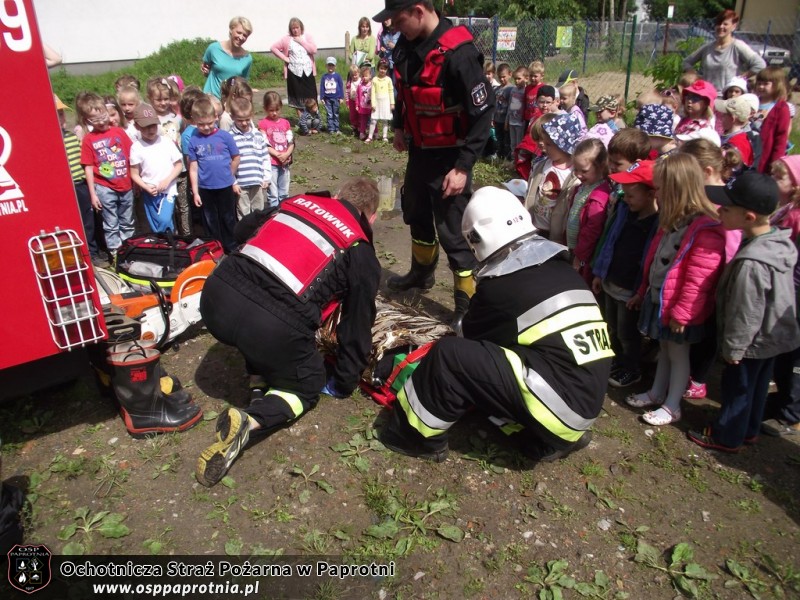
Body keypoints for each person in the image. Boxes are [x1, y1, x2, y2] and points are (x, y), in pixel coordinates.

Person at [377, 186, 612, 463]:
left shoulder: (503, 285)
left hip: (560, 409)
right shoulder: (563, 270)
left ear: (477, 239)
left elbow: (471, 339)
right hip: (581, 405)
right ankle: (546, 437)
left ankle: (415, 437)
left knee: (450, 356)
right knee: (504, 359)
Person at [195, 178, 381, 486]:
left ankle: (259, 376)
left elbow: (241, 231)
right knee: (308, 384)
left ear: (336, 195)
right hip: (270, 327)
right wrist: (344, 381)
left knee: (260, 329)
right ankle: (251, 420)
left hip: (216, 298)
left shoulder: (297, 202)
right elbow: (357, 325)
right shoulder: (359, 249)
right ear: (370, 218)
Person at [376, 0, 494, 333]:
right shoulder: (405, 45)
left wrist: (463, 167)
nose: (394, 26)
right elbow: (404, 91)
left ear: (418, 10)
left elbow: (483, 112)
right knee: (415, 212)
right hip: (420, 152)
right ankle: (421, 273)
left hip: (451, 157)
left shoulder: (460, 54)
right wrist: (399, 126)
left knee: (453, 231)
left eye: (398, 19)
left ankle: (466, 305)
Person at [688, 172, 800, 452]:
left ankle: (726, 436)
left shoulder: (752, 263)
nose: (720, 212)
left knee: (737, 387)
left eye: (726, 209)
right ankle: (748, 429)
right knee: (758, 385)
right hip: (773, 335)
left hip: (751, 341)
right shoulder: (777, 243)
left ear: (749, 217)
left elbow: (746, 312)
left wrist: (734, 348)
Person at [625, 153, 726, 426]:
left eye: (659, 188)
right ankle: (657, 392)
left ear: (676, 188)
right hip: (661, 298)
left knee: (679, 354)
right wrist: (644, 289)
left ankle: (672, 406)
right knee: (665, 348)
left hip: (679, 307)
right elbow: (655, 258)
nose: (656, 193)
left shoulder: (704, 227)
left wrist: (682, 313)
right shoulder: (674, 219)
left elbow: (698, 279)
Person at [592, 160, 659, 389]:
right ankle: (617, 360)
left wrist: (641, 291)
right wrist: (600, 272)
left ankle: (631, 368)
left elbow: (650, 261)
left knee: (627, 332)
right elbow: (609, 242)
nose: (626, 198)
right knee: (611, 325)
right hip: (611, 280)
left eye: (631, 195)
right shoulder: (623, 211)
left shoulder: (656, 224)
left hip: (630, 290)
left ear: (650, 194)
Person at [762, 156, 800, 436]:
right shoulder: (786, 209)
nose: (773, 181)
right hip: (785, 288)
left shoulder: (796, 217)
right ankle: (783, 399)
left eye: (779, 177)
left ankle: (791, 414)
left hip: (793, 293)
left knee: (794, 357)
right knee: (784, 354)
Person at [78, 92, 134, 266]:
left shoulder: (119, 132)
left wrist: (136, 181)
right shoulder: (89, 140)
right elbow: (88, 167)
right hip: (104, 187)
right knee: (111, 223)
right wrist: (93, 194)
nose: (101, 122)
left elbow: (131, 157)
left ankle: (129, 252)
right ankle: (116, 255)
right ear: (87, 120)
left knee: (127, 221)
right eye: (95, 120)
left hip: (125, 184)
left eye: (103, 116)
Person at [56, 95, 106, 268]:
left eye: (61, 113)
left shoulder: (71, 137)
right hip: (65, 187)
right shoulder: (50, 141)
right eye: (56, 114)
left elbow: (84, 162)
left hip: (80, 184)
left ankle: (92, 253)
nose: (61, 118)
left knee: (88, 220)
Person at [186, 97, 240, 253]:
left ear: (216, 116)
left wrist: (229, 175)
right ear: (194, 121)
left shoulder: (225, 136)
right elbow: (193, 167)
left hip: (225, 186)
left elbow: (236, 157)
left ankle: (231, 246)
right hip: (205, 188)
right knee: (210, 220)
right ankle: (215, 247)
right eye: (201, 124)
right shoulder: (194, 140)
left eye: (209, 123)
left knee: (228, 218)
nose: (206, 127)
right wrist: (195, 192)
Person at [523, 112, 582, 244]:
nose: (544, 147)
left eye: (549, 144)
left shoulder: (574, 174)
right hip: (534, 225)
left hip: (555, 232)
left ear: (563, 145)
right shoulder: (542, 165)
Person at [682, 9, 766, 96]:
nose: (721, 26)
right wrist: (694, 75)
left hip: (728, 96)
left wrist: (742, 77)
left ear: (733, 26)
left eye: (725, 24)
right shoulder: (707, 48)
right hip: (706, 96)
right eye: (718, 24)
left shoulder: (737, 46)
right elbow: (686, 62)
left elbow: (760, 64)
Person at [129, 103, 183, 233]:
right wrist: (145, 187)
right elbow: (134, 173)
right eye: (146, 127)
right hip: (149, 191)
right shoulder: (136, 147)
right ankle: (167, 242)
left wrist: (167, 181)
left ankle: (167, 240)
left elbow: (178, 165)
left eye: (153, 125)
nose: (151, 130)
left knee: (164, 220)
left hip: (168, 190)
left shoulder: (166, 142)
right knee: (156, 225)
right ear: (137, 126)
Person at [566, 138, 611, 286]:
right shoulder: (582, 187)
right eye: (576, 169)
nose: (578, 175)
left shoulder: (599, 196)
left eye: (584, 171)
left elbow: (592, 230)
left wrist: (580, 256)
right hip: (574, 248)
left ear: (601, 166)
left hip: (585, 257)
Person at [229, 97, 270, 220]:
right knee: (243, 213)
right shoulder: (230, 137)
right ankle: (244, 232)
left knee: (259, 211)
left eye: (247, 119)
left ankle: (259, 231)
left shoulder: (258, 135)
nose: (244, 123)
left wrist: (266, 176)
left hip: (257, 181)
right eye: (240, 120)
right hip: (241, 183)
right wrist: (233, 182)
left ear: (252, 115)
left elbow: (265, 156)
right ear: (232, 117)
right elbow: (228, 162)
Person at [271, 17, 318, 114]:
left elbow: (313, 50)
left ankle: (313, 119)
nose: (295, 30)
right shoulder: (286, 39)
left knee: (311, 96)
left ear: (301, 27)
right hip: (294, 72)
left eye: (297, 27)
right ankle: (302, 120)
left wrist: (301, 41)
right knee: (298, 97)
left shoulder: (307, 37)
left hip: (308, 71)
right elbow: (273, 48)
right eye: (293, 28)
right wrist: (285, 58)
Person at [201, 16, 253, 99]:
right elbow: (205, 69)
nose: (241, 37)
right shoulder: (213, 49)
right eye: (239, 32)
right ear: (231, 30)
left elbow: (243, 83)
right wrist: (206, 72)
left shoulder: (247, 58)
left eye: (245, 35)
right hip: (210, 98)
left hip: (230, 101)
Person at [258, 92, 294, 207]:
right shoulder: (263, 124)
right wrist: (278, 155)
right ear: (265, 109)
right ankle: (273, 212)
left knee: (284, 191)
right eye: (271, 110)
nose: (274, 113)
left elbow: (291, 141)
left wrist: (287, 154)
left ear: (281, 107)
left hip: (285, 162)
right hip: (271, 163)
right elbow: (264, 144)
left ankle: (284, 210)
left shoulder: (285, 123)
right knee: (273, 193)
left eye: (277, 110)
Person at [755, 66, 791, 175]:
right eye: (759, 83)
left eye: (766, 84)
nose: (761, 86)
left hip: (764, 155)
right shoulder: (753, 102)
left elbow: (781, 137)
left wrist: (776, 161)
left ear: (777, 85)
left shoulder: (781, 108)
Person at [715, 95, 755, 168]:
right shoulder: (741, 137)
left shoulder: (735, 144)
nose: (721, 118)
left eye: (724, 115)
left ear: (732, 118)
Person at [368, 59, 395, 143]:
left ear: (387, 70)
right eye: (381, 68)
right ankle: (370, 136)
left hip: (386, 102)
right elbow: (372, 92)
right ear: (378, 68)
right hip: (377, 102)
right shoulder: (374, 79)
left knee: (385, 120)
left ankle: (384, 136)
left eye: (385, 69)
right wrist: (373, 103)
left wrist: (392, 103)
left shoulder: (388, 80)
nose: (383, 70)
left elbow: (391, 91)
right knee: (373, 120)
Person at [506, 66, 529, 156]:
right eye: (515, 79)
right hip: (512, 121)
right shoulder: (513, 90)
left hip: (520, 122)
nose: (516, 81)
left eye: (519, 79)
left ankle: (519, 159)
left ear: (526, 78)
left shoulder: (526, 91)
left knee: (519, 142)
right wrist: (507, 120)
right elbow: (510, 105)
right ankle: (513, 158)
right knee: (513, 142)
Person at [320, 57, 345, 134]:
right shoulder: (324, 77)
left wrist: (341, 97)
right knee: (329, 114)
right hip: (327, 99)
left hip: (336, 98)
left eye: (332, 65)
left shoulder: (337, 76)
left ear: (335, 66)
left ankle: (337, 129)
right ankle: (331, 129)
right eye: (329, 65)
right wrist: (322, 97)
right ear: (326, 66)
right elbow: (322, 87)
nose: (330, 67)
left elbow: (341, 87)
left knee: (336, 114)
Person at [355, 66, 373, 140]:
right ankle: (362, 133)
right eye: (362, 76)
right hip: (363, 107)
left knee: (373, 120)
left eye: (366, 76)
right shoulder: (360, 85)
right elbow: (357, 96)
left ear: (370, 76)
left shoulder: (372, 85)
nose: (364, 78)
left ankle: (375, 133)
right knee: (363, 121)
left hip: (371, 107)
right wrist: (357, 105)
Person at [346, 64, 361, 136]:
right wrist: (347, 102)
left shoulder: (361, 81)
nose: (354, 77)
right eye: (352, 75)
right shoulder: (349, 83)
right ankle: (354, 127)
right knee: (352, 115)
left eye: (356, 75)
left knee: (359, 114)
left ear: (359, 73)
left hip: (360, 102)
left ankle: (360, 128)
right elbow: (347, 92)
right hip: (352, 101)